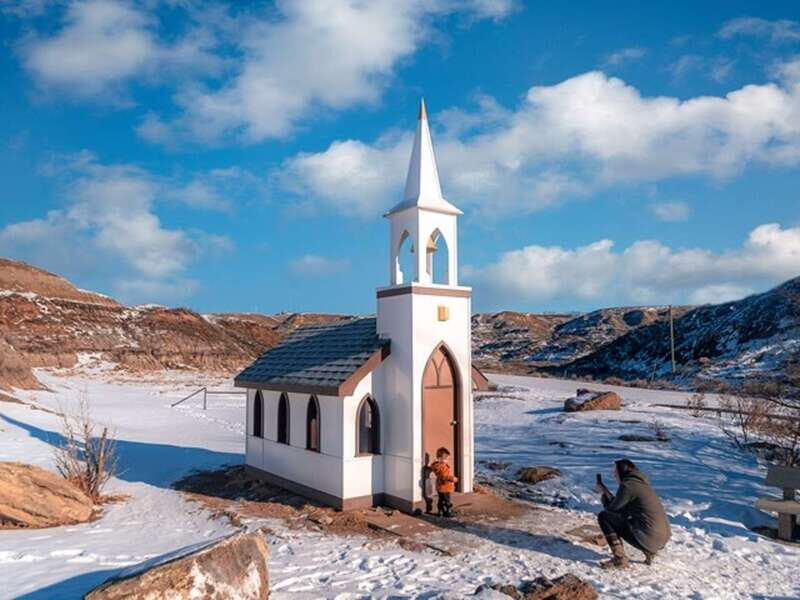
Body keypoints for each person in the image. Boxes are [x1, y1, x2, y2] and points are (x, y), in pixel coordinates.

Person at [594, 459, 671, 569]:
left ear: (622, 471)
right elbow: (623, 508)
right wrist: (606, 492)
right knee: (625, 518)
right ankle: (649, 551)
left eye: (615, 472)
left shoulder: (628, 485)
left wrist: (603, 494)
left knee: (604, 517)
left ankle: (619, 559)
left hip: (650, 537)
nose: (614, 475)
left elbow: (612, 510)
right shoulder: (640, 483)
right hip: (661, 538)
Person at [430, 447, 458, 517]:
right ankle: (447, 512)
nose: (447, 460)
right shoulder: (443, 466)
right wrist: (452, 479)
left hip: (440, 486)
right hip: (445, 486)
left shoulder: (437, 466)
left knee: (441, 499)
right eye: (446, 459)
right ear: (440, 459)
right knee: (447, 500)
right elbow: (444, 476)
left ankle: (440, 512)